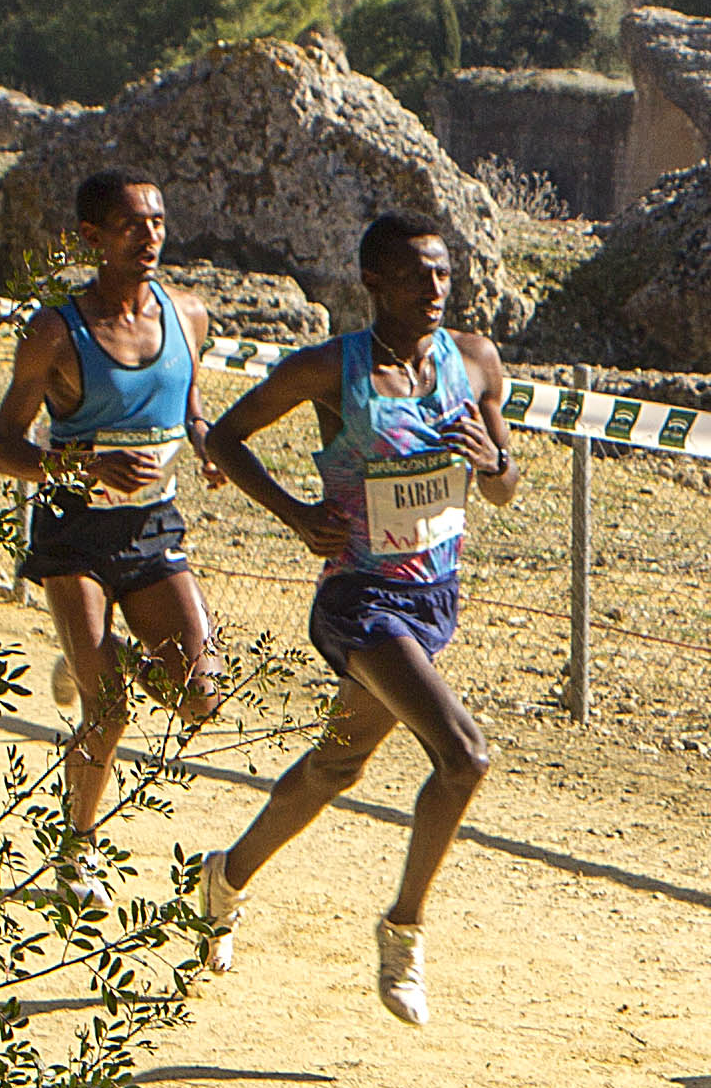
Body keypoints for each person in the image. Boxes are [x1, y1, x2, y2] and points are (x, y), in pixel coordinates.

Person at [191, 214, 516, 1024]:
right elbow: (225, 437)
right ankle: (403, 928)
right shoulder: (329, 370)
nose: (436, 291)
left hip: (432, 598)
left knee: (339, 766)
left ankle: (223, 878)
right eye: (416, 277)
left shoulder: (473, 360)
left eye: (444, 275)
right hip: (359, 600)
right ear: (374, 282)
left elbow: (505, 485)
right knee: (465, 756)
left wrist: (493, 463)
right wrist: (299, 514)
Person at [0, 171, 223, 903]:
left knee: (202, 697)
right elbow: (2, 447)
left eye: (156, 221)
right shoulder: (57, 330)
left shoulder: (188, 316)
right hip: (76, 530)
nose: (149, 236)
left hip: (154, 525)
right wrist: (81, 464)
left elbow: (186, 406)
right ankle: (76, 854)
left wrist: (208, 442)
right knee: (110, 710)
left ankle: (92, 657)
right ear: (93, 237)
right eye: (130, 224)